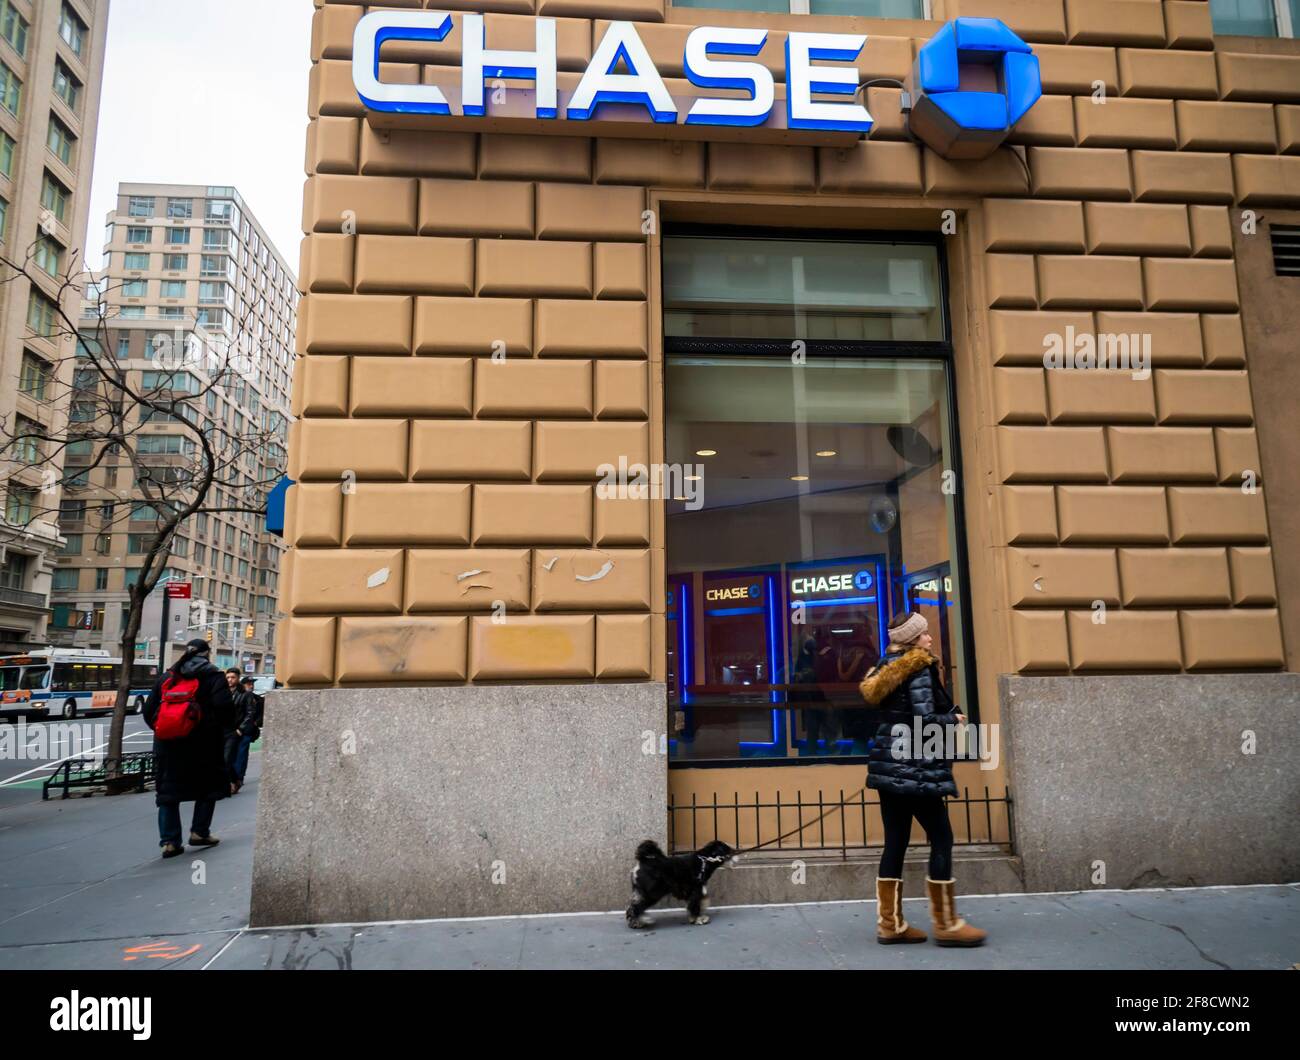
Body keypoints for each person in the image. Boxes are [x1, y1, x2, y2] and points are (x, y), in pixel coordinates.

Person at [858, 611, 986, 947]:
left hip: (889, 766)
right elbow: (924, 719)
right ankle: (946, 924)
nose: (930, 638)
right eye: (925, 633)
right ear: (913, 639)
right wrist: (952, 718)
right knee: (942, 837)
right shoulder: (918, 667)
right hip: (915, 767)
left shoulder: (885, 668)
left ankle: (891, 924)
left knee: (896, 842)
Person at [143, 640, 236, 858]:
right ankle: (199, 831)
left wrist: (163, 730)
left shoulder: (168, 676)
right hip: (204, 744)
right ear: (207, 654)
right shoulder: (213, 676)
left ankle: (169, 842)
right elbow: (225, 709)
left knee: (167, 792)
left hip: (168, 745)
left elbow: (149, 710)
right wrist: (221, 730)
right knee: (208, 787)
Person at [228, 675, 263, 791]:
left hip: (246, 731)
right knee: (232, 755)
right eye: (248, 683)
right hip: (234, 730)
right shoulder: (234, 695)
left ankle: (238, 778)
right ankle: (235, 778)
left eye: (252, 683)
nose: (251, 685)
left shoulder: (257, 698)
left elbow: (258, 714)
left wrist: (255, 723)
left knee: (241, 755)